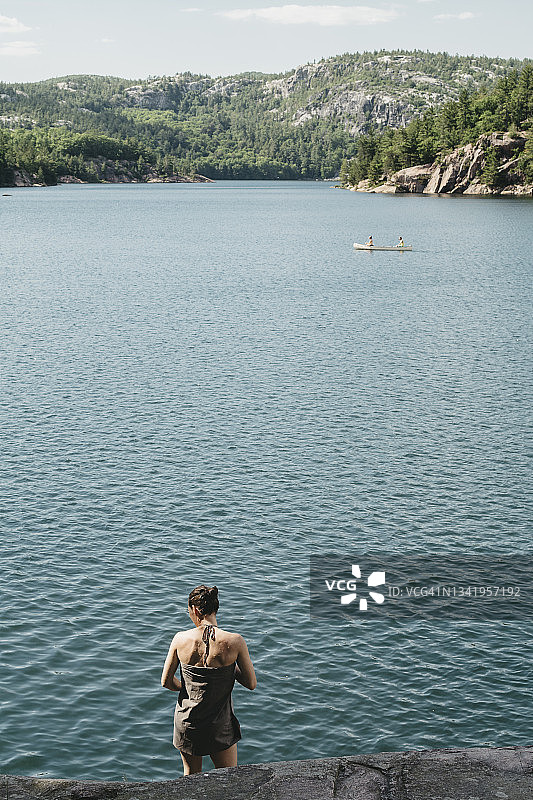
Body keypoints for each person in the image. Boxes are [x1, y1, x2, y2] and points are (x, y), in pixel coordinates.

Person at [161, 585, 257, 776]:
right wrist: (229, 668)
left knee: (190, 778)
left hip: (188, 722)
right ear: (215, 609)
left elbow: (166, 681)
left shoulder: (180, 639)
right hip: (220, 725)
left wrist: (187, 689)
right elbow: (251, 683)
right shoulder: (234, 641)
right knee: (228, 778)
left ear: (195, 610)